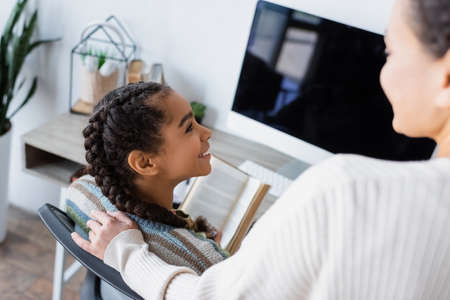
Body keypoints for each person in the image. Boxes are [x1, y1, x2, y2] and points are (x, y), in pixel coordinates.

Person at [72, 0, 450, 299]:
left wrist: (130, 254)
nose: (382, 73)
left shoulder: (343, 191)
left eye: (391, 52)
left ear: (445, 76)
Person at [70, 82, 230, 276]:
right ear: (145, 162)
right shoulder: (209, 264)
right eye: (189, 128)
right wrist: (210, 250)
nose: (207, 133)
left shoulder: (80, 190)